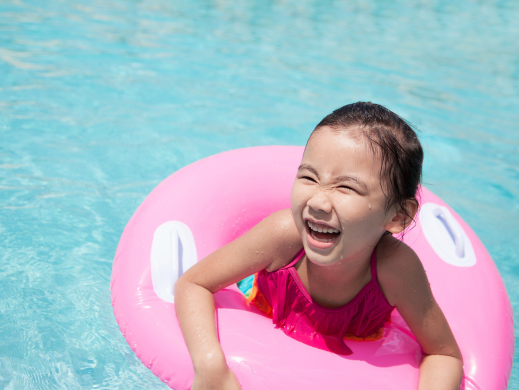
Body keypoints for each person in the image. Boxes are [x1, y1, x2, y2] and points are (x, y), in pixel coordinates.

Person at [175, 102, 463, 390]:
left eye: (346, 187)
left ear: (398, 216)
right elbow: (193, 284)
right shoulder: (283, 237)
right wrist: (210, 365)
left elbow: (443, 353)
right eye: (308, 178)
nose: (317, 202)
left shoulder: (396, 269)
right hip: (261, 315)